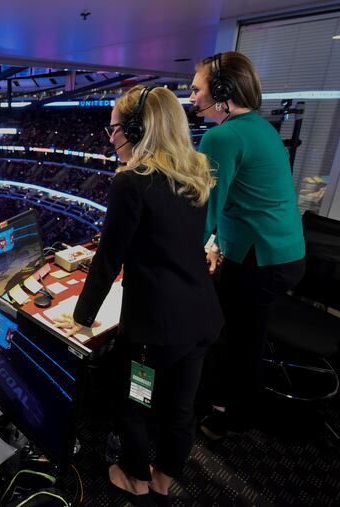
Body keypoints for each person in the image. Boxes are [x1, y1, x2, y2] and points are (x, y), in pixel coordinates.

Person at [54, 86, 222, 506]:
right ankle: (164, 482)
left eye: (114, 128)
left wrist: (81, 317)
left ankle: (136, 480)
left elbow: (108, 260)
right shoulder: (195, 172)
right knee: (181, 411)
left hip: (152, 336)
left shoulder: (132, 181)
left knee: (135, 404)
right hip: (200, 322)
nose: (110, 137)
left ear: (135, 129)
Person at [189, 52, 306, 440]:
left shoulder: (222, 136)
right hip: (282, 252)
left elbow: (203, 211)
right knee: (242, 336)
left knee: (235, 340)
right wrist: (217, 244)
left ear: (221, 91)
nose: (190, 98)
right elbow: (245, 199)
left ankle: (230, 416)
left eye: (196, 88)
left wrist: (176, 251)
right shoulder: (260, 127)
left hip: (261, 259)